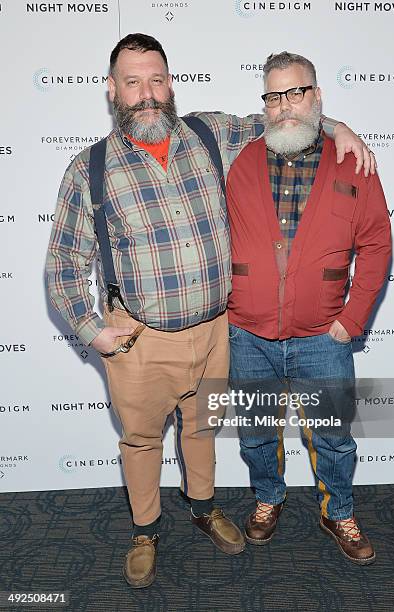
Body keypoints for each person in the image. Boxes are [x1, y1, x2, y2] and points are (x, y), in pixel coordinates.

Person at [45, 34, 376, 588]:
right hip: (140, 341)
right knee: (143, 440)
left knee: (201, 430)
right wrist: (95, 332)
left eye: (156, 79)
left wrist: (339, 126)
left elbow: (286, 116)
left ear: (170, 83)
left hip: (217, 331)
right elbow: (63, 263)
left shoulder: (209, 132)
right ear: (112, 90)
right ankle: (145, 531)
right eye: (133, 82)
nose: (147, 93)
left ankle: (203, 508)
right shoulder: (90, 168)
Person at [226, 51, 391, 565]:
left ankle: (337, 509)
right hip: (248, 335)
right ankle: (267, 498)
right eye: (274, 96)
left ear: (316, 97)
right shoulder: (239, 157)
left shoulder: (352, 163)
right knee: (255, 433)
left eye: (295, 93)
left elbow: (378, 244)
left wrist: (353, 319)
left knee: (334, 437)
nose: (284, 106)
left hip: (325, 336)